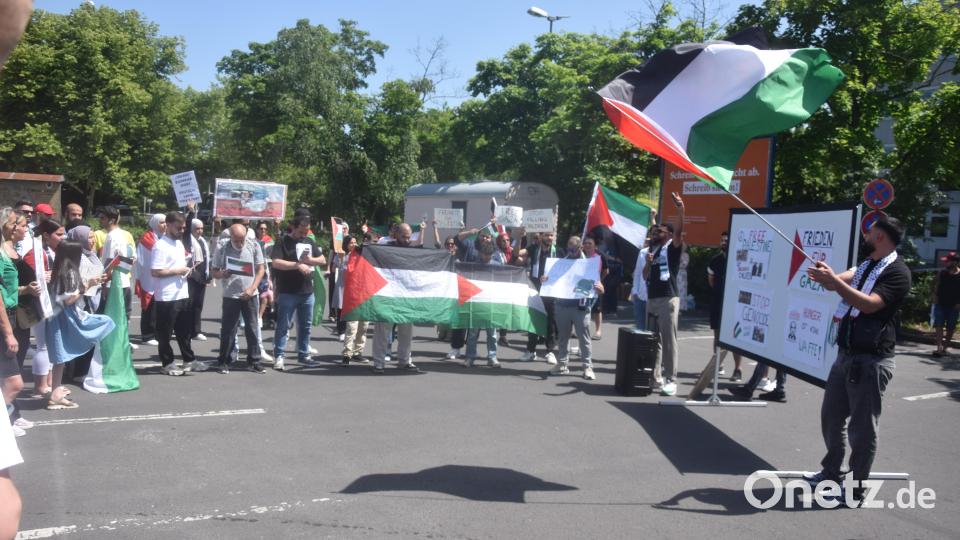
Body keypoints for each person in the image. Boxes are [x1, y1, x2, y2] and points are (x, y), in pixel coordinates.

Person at [804, 217, 911, 505]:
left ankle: (855, 488)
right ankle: (830, 472)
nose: (865, 234)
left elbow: (869, 304)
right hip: (846, 355)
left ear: (879, 236)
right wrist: (829, 277)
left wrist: (835, 283)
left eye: (869, 231)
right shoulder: (867, 264)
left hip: (871, 360)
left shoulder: (897, 272)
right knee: (831, 417)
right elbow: (837, 283)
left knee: (862, 429)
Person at [44, 241, 113, 409]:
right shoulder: (69, 271)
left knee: (60, 358)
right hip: (66, 317)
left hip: (56, 316)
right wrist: (88, 285)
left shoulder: (59, 269)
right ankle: (55, 394)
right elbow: (68, 300)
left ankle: (56, 392)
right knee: (105, 322)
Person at [270, 215, 326, 371]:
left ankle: (304, 354)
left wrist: (310, 260)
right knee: (283, 325)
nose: (304, 235)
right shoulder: (282, 241)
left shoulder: (308, 241)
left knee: (306, 325)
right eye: (301, 232)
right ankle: (279, 355)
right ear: (293, 227)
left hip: (307, 291)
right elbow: (276, 262)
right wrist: (297, 265)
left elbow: (322, 259)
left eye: (306, 232)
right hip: (287, 291)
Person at [151, 212, 203, 376]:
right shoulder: (160, 245)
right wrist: (178, 271)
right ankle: (167, 363)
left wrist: (186, 269)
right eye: (178, 228)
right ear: (168, 225)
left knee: (184, 331)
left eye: (183, 228)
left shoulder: (179, 244)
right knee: (165, 333)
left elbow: (180, 265)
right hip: (167, 296)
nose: (181, 231)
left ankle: (189, 359)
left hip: (181, 292)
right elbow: (156, 271)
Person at [545, 236, 604, 380]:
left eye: (573, 249)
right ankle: (562, 364)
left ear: (580, 248)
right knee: (563, 337)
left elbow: (598, 286)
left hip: (581, 307)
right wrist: (545, 280)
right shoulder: (560, 263)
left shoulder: (588, 264)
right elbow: (550, 281)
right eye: (568, 249)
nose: (570, 251)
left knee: (584, 338)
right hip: (562, 306)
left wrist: (600, 288)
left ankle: (587, 366)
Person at [644, 192, 685, 396]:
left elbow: (678, 232)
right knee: (653, 340)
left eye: (660, 230)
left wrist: (680, 209)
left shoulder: (672, 248)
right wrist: (648, 263)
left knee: (669, 340)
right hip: (652, 298)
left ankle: (672, 380)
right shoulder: (655, 250)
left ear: (668, 234)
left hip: (668, 298)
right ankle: (655, 376)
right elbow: (645, 276)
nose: (656, 232)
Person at [211, 224, 266, 374]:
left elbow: (261, 269)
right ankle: (224, 360)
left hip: (250, 294)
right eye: (237, 240)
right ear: (231, 236)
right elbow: (214, 271)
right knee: (229, 329)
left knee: (253, 328)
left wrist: (253, 288)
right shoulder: (223, 247)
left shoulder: (253, 245)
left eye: (242, 239)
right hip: (231, 295)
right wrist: (223, 274)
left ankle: (254, 361)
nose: (240, 243)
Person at [371, 223, 421, 374]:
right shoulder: (385, 249)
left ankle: (404, 361)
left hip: (406, 297)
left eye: (409, 237)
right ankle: (379, 363)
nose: (407, 240)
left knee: (406, 331)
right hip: (388, 296)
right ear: (396, 235)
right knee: (383, 330)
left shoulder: (413, 251)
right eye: (404, 236)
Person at [23, 219, 64, 397]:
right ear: (46, 235)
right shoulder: (36, 253)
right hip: (40, 303)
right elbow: (27, 274)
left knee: (48, 344)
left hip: (52, 301)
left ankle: (47, 383)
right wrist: (42, 277)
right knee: (43, 345)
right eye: (59, 234)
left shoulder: (51, 251)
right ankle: (40, 385)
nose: (63, 238)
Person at [1, 210, 33, 436]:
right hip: (5, 319)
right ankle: (5, 422)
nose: (17, 227)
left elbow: (9, 290)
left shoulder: (7, 252)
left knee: (9, 379)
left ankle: (10, 418)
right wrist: (8, 332)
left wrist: (26, 289)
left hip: (12, 314)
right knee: (14, 383)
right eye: (13, 223)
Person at [707, 231, 742, 381]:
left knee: (735, 337)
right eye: (722, 240)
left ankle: (738, 370)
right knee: (717, 335)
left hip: (735, 304)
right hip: (717, 302)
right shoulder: (715, 260)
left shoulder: (739, 259)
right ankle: (718, 365)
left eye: (726, 240)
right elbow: (711, 280)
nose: (723, 242)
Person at [522, 231, 558, 364]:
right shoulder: (533, 248)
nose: (549, 238)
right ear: (541, 236)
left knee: (550, 322)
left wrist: (550, 277)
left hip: (550, 292)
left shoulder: (557, 251)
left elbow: (562, 269)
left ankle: (549, 352)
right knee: (533, 320)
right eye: (547, 235)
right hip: (535, 289)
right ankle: (530, 351)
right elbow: (517, 254)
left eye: (551, 235)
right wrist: (520, 237)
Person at [98, 206, 136, 331]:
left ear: (111, 220)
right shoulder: (121, 234)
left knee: (110, 316)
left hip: (113, 283)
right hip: (123, 280)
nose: (100, 220)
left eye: (102, 218)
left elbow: (110, 262)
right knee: (119, 316)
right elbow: (129, 258)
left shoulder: (112, 236)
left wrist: (104, 283)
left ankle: (112, 345)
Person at [464, 243, 502, 368]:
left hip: (491, 302)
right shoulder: (473, 265)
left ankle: (492, 357)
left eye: (488, 255)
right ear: (480, 253)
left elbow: (502, 283)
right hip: (476, 302)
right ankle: (470, 356)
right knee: (473, 333)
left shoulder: (497, 266)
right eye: (484, 254)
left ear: (492, 255)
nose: (486, 257)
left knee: (492, 333)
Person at [135, 214, 165, 346]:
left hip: (162, 277)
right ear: (154, 223)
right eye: (161, 222)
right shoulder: (147, 238)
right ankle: (147, 335)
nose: (164, 225)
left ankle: (158, 333)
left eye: (165, 222)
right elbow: (143, 259)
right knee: (149, 307)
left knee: (159, 307)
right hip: (149, 277)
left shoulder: (165, 237)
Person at [338, 236, 369, 365]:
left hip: (364, 295)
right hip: (352, 297)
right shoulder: (344, 256)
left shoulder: (362, 256)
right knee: (352, 327)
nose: (354, 244)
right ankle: (347, 354)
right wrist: (341, 258)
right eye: (351, 242)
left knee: (363, 326)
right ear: (346, 244)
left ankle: (358, 352)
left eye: (355, 242)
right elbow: (344, 273)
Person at [931, 252, 960, 357]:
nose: (946, 263)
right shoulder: (942, 273)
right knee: (939, 325)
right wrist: (935, 297)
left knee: (950, 327)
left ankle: (945, 347)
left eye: (948, 261)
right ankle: (939, 347)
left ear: (955, 262)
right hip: (940, 304)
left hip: (954, 306)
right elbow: (937, 285)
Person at [187, 219, 211, 341]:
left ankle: (196, 331)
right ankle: (187, 331)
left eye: (201, 228)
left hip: (202, 278)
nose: (200, 231)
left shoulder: (202, 241)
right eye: (197, 228)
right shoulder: (187, 240)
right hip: (191, 277)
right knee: (188, 305)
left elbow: (207, 259)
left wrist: (208, 274)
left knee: (198, 305)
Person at [582, 236, 608, 340]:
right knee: (580, 309)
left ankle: (598, 331)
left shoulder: (600, 256)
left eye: (590, 243)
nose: (587, 245)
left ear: (595, 246)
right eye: (586, 243)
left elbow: (606, 271)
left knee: (597, 309)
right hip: (582, 285)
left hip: (595, 287)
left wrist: (599, 280)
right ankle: (577, 330)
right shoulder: (580, 255)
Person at [630, 237, 650, 330]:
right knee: (640, 327)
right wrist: (635, 291)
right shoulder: (643, 252)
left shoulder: (664, 252)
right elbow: (637, 273)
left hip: (655, 298)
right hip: (640, 295)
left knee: (653, 329)